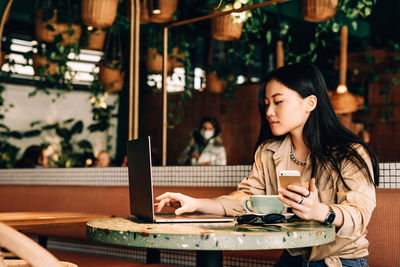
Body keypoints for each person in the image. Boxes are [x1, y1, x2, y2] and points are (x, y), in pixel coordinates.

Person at [155, 62, 379, 267]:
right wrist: (196, 203)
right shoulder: (268, 151)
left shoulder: (349, 153)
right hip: (292, 259)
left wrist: (320, 211)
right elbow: (246, 200)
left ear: (310, 102)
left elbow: (358, 215)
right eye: (267, 104)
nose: (269, 112)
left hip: (339, 262)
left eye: (278, 102)